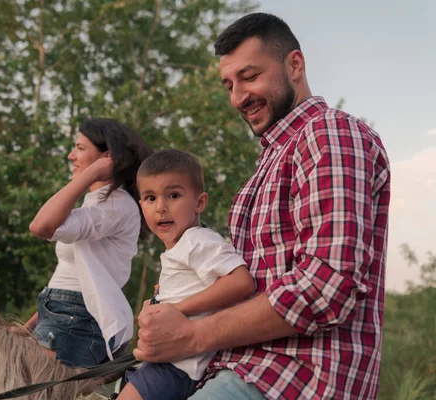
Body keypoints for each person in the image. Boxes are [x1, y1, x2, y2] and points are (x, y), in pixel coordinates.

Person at [134, 13, 391, 400]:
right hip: (235, 369)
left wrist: (191, 335)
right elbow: (247, 283)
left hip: (296, 379)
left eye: (250, 77)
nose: (238, 97)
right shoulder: (270, 162)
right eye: (229, 85)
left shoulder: (329, 134)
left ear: (295, 64)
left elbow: (327, 284)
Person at [118, 149, 255, 400]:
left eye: (174, 195)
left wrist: (178, 308)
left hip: (176, 368)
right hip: (169, 363)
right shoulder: (181, 247)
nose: (161, 207)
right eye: (150, 198)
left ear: (200, 202)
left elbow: (241, 282)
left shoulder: (197, 240)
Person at [27, 118, 152, 368]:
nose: (71, 155)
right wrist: (29, 326)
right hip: (61, 313)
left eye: (80, 148)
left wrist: (92, 174)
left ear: (107, 157)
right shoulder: (98, 202)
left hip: (76, 320)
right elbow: (74, 277)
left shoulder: (115, 204)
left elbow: (40, 226)